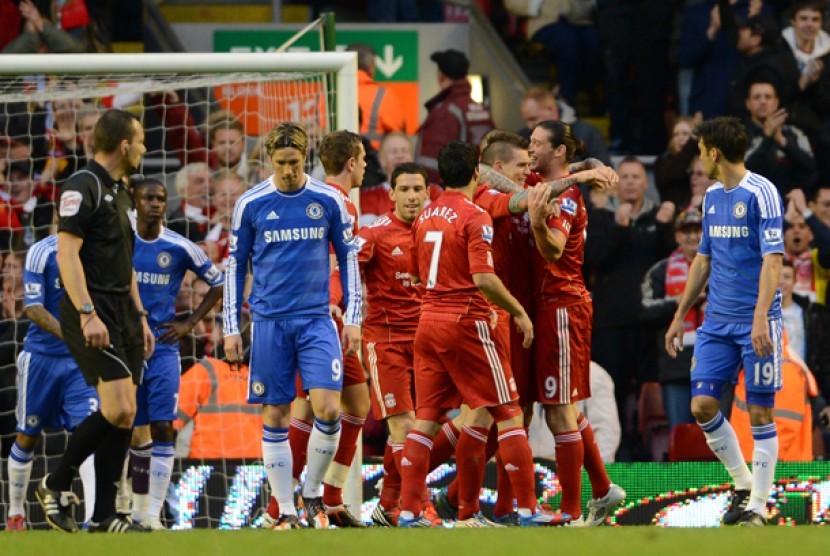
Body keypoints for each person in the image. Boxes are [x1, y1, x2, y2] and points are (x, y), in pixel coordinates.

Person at [399, 141, 555, 528]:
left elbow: (417, 276)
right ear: (476, 174)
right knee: (508, 411)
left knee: (427, 418)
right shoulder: (476, 215)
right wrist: (518, 311)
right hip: (466, 321)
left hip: (427, 322)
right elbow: (483, 278)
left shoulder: (424, 215)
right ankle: (527, 508)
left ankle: (408, 511)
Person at [223, 122, 361, 531]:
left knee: (329, 408)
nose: (287, 170)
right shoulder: (251, 203)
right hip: (268, 322)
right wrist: (232, 327)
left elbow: (348, 258)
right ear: (270, 160)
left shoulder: (327, 200)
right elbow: (235, 267)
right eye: (281, 163)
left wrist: (352, 318)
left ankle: (313, 492)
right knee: (277, 413)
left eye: (295, 163)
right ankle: (285, 509)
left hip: (317, 319)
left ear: (307, 160)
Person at [35, 108, 154, 533]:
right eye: (139, 141)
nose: (143, 148)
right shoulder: (80, 185)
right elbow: (66, 255)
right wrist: (87, 314)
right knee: (118, 406)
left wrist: (140, 315)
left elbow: (127, 264)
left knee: (127, 412)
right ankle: (56, 480)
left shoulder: (122, 191)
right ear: (124, 145)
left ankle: (105, 515)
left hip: (124, 311)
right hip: (92, 309)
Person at [666, 116, 784, 527]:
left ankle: (758, 506)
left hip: (758, 320)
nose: (699, 161)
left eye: (700, 152)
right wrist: (680, 315)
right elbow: (703, 258)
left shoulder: (762, 193)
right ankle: (742, 483)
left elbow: (773, 260)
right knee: (702, 406)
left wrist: (759, 319)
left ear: (714, 153)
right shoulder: (713, 196)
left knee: (760, 414)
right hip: (716, 321)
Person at [526, 120, 625, 525]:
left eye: (536, 144)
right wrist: (585, 169)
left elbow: (553, 249)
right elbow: (491, 171)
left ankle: (570, 510)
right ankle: (602, 490)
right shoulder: (543, 180)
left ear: (558, 151)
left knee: (559, 408)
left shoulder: (565, 200)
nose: (529, 149)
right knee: (557, 405)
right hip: (542, 304)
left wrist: (536, 221)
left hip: (562, 305)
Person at [128, 178, 224, 529]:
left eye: (161, 199)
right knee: (127, 425)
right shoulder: (121, 242)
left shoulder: (179, 246)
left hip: (164, 345)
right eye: (148, 198)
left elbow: (219, 282)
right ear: (134, 202)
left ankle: (152, 514)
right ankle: (127, 507)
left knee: (162, 426)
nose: (155, 204)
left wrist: (189, 322)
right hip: (125, 345)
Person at [5, 234, 98, 531]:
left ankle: (93, 520)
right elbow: (33, 308)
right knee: (28, 435)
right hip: (41, 358)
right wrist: (72, 335)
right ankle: (16, 514)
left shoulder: (99, 249)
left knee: (89, 435)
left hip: (80, 362)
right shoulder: (40, 252)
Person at [358, 162, 429, 526]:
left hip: (427, 344)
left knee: (417, 430)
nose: (413, 196)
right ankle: (420, 507)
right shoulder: (374, 234)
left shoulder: (434, 232)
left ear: (427, 193)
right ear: (392, 194)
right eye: (405, 189)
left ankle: (387, 507)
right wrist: (345, 313)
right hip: (386, 344)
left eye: (418, 189)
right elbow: (343, 268)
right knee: (405, 427)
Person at [641, 209, 705, 431]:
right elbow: (644, 310)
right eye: (686, 231)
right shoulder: (661, 270)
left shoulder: (723, 267)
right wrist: (680, 302)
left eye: (698, 230)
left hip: (713, 364)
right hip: (675, 366)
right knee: (680, 435)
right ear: (677, 236)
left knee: (717, 439)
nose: (692, 236)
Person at [415, 49, 494, 184]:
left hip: (454, 193)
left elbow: (431, 165)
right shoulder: (482, 110)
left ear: (440, 76)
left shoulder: (444, 113)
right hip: (481, 188)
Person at [175, 354, 263, 459]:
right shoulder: (270, 377)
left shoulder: (207, 369)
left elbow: (168, 419)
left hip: (205, 465)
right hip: (258, 467)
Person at [743, 81, 816, 198]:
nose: (763, 101)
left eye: (768, 97)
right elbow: (743, 170)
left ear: (776, 102)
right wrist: (766, 137)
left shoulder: (794, 133)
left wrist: (783, 141)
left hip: (789, 205)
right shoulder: (738, 135)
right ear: (748, 103)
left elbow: (810, 166)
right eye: (757, 97)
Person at [516, 87, 610, 165]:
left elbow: (604, 173)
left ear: (550, 110)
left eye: (533, 119)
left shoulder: (587, 133)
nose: (529, 126)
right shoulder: (522, 137)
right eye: (526, 120)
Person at [346, 44, 407, 150]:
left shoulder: (327, 94)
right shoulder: (384, 95)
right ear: (371, 65)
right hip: (372, 160)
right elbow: (398, 135)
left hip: (333, 161)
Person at [167, 162, 214, 243]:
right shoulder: (175, 223)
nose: (208, 185)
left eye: (210, 181)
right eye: (199, 182)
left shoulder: (223, 213)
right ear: (184, 191)